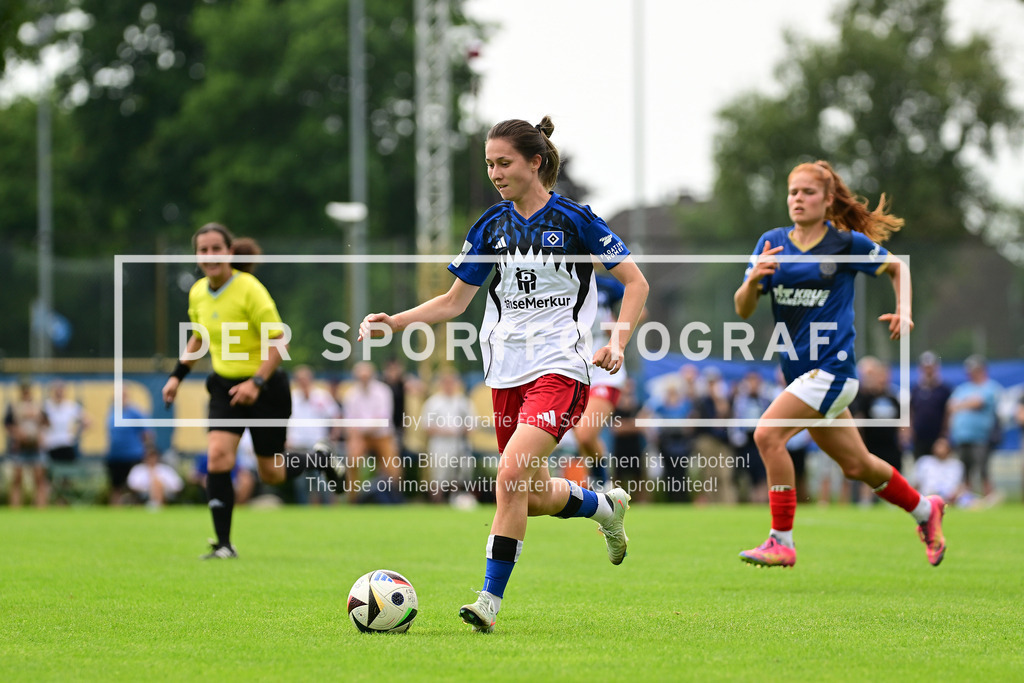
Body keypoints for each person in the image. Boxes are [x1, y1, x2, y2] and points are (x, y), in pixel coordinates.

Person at [359, 116, 648, 632]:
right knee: (530, 493)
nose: (494, 172)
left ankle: (488, 602)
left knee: (509, 475)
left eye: (504, 162)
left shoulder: (577, 220)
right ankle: (604, 508)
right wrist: (394, 321)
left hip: (562, 367)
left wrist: (618, 340)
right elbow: (454, 302)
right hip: (505, 373)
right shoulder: (491, 226)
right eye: (489, 163)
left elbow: (636, 282)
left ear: (535, 162)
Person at [732, 159, 945, 568]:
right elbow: (743, 310)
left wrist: (904, 309)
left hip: (833, 372)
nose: (798, 199)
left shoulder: (846, 243)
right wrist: (753, 279)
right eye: (793, 191)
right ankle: (925, 510)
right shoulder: (772, 243)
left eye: (808, 192)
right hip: (801, 376)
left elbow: (897, 268)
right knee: (856, 465)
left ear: (828, 199)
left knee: (767, 436)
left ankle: (782, 540)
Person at [162, 225, 339, 559]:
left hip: (266, 387)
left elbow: (279, 340)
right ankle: (224, 544)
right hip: (225, 387)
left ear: (229, 251)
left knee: (270, 473)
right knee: (218, 455)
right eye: (204, 250)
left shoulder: (249, 289)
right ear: (197, 255)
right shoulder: (198, 292)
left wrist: (256, 382)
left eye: (217, 248)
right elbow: (199, 337)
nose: (210, 256)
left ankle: (320, 458)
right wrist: (177, 375)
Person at [341, 361, 404, 504]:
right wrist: (356, 436)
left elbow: (382, 420)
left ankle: (396, 498)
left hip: (382, 436)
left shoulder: (383, 391)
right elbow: (349, 421)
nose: (364, 379)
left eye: (366, 376)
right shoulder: (351, 394)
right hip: (360, 436)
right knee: (352, 460)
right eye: (361, 376)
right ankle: (353, 498)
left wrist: (360, 427)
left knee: (392, 466)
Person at [849, 356, 903, 503]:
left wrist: (902, 439)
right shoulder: (864, 397)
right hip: (871, 443)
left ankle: (895, 503)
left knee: (892, 475)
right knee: (869, 475)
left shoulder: (893, 396)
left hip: (889, 444)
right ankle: (865, 503)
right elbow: (859, 420)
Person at [947, 355, 1002, 498]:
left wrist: (962, 404)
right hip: (961, 436)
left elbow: (978, 402)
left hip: (981, 436)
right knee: (965, 470)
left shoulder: (991, 387)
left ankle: (989, 496)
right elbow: (951, 405)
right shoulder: (963, 388)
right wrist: (966, 403)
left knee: (982, 469)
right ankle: (967, 498)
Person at [286, 365, 343, 504]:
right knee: (301, 483)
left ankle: (328, 509)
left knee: (321, 480)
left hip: (317, 445)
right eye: (300, 379)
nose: (303, 381)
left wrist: (333, 437)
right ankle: (304, 511)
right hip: (297, 445)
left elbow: (336, 416)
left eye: (305, 378)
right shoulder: (292, 398)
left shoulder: (322, 396)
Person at [420, 368, 474, 503]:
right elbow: (427, 426)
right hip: (440, 444)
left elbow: (472, 423)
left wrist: (460, 430)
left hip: (460, 443)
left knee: (461, 473)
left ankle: (456, 499)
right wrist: (446, 431)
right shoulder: (433, 402)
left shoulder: (463, 402)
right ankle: (436, 501)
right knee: (439, 475)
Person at [4, 377, 49, 507]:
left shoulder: (39, 406)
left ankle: (41, 508)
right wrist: (18, 434)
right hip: (20, 447)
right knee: (17, 480)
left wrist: (39, 424)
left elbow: (47, 423)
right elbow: (8, 425)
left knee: (39, 479)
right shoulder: (14, 406)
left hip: (36, 447)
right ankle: (15, 508)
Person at [105, 388, 152, 506]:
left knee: (134, 485)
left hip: (132, 455)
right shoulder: (112, 412)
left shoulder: (134, 413)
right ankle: (115, 510)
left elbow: (146, 434)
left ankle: (136, 509)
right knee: (116, 486)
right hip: (115, 456)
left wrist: (147, 450)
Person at [909, 351, 952, 459]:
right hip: (919, 437)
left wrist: (944, 435)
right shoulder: (916, 389)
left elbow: (948, 413)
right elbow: (912, 410)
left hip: (938, 437)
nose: (928, 370)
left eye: (930, 367)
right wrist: (910, 430)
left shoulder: (944, 390)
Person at [43, 380, 91, 465]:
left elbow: (87, 421)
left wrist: (76, 434)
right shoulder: (47, 406)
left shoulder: (70, 406)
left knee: (67, 473)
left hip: (66, 444)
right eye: (57, 390)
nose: (59, 393)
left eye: (61, 390)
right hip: (51, 445)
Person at [912, 437, 966, 507]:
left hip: (950, 501)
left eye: (942, 446)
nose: (940, 449)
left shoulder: (957, 465)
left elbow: (960, 486)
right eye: (938, 446)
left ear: (949, 449)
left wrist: (954, 496)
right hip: (927, 499)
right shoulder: (924, 462)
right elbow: (916, 483)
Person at [127, 444, 185, 508]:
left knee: (158, 483)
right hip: (143, 494)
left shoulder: (165, 469)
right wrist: (150, 486)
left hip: (166, 493)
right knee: (155, 484)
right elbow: (132, 484)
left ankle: (156, 504)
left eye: (153, 456)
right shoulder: (138, 469)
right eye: (149, 456)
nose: (152, 459)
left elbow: (178, 485)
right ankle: (157, 504)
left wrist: (161, 485)